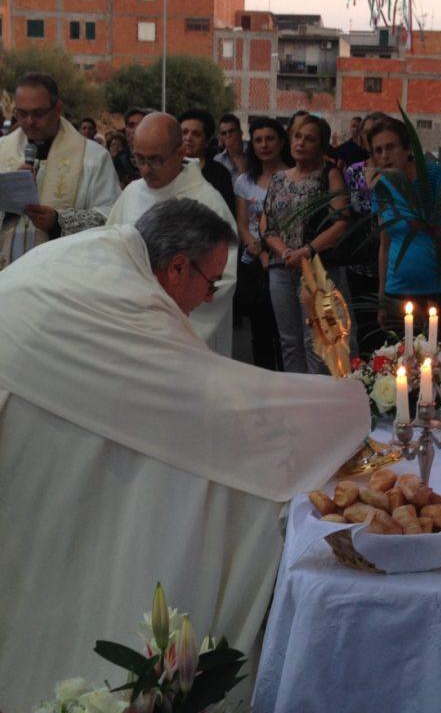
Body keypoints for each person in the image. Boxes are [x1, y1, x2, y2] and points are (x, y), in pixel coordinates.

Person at [0, 197, 369, 711]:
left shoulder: (105, 252)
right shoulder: (133, 300)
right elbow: (205, 402)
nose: (208, 296)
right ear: (177, 266)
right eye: (209, 281)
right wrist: (343, 408)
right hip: (30, 417)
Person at [107, 112, 237, 357]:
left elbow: (222, 279)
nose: (144, 170)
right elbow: (112, 251)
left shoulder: (207, 202)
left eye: (155, 160)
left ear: (180, 153)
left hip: (182, 335)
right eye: (138, 159)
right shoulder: (132, 192)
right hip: (132, 324)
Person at [0, 72, 120, 268]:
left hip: (61, 275)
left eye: (38, 114)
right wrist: (8, 207)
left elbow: (112, 217)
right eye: (22, 114)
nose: (29, 121)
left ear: (58, 109)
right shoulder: (1, 150)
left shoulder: (92, 157)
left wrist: (58, 222)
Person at [261, 114, 348, 373]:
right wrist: (286, 252)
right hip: (281, 267)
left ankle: (316, 401)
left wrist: (306, 251)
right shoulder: (278, 179)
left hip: (316, 269)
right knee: (289, 341)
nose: (300, 143)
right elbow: (267, 226)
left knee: (317, 341)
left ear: (321, 146)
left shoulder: (329, 176)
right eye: (297, 136)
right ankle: (295, 399)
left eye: (309, 139)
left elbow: (341, 223)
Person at [371, 116, 441, 337]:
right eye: (377, 151)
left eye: (390, 147)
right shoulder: (382, 188)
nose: (384, 156)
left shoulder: (435, 178)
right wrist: (381, 297)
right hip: (398, 293)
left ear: (408, 148)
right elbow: (385, 245)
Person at [235, 117, 290, 371]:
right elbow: (243, 225)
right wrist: (257, 250)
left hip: (287, 259)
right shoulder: (244, 181)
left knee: (287, 332)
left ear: (281, 142)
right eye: (258, 140)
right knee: (261, 331)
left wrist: (274, 252)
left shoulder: (292, 176)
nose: (264, 145)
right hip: (256, 265)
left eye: (270, 139)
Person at [344, 111, 388, 354]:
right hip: (359, 259)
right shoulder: (352, 172)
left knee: (388, 323)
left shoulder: (396, 172)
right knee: (364, 323)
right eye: (366, 132)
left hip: (390, 257)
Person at [178, 108, 235, 216]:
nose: (188, 138)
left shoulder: (219, 174)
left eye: (196, 134)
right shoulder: (167, 169)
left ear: (207, 140)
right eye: (184, 132)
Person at [112, 106, 152, 188]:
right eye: (131, 125)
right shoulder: (118, 160)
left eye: (141, 124)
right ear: (126, 129)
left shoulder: (158, 156)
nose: (136, 129)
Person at [214, 113, 247, 183]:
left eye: (231, 131)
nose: (228, 135)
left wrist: (236, 156)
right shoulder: (217, 160)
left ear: (240, 133)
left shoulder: (253, 156)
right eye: (224, 133)